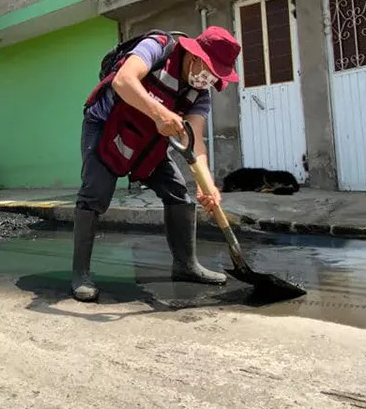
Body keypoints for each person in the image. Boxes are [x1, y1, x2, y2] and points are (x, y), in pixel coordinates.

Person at [72, 25, 242, 302]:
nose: (208, 78)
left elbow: (194, 141)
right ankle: (80, 273)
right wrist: (161, 113)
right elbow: (124, 81)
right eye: (209, 69)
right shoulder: (159, 46)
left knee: (179, 196)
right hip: (105, 127)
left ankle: (186, 265)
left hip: (148, 140)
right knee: (94, 194)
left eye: (216, 76)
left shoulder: (199, 94)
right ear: (195, 55)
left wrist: (208, 186)